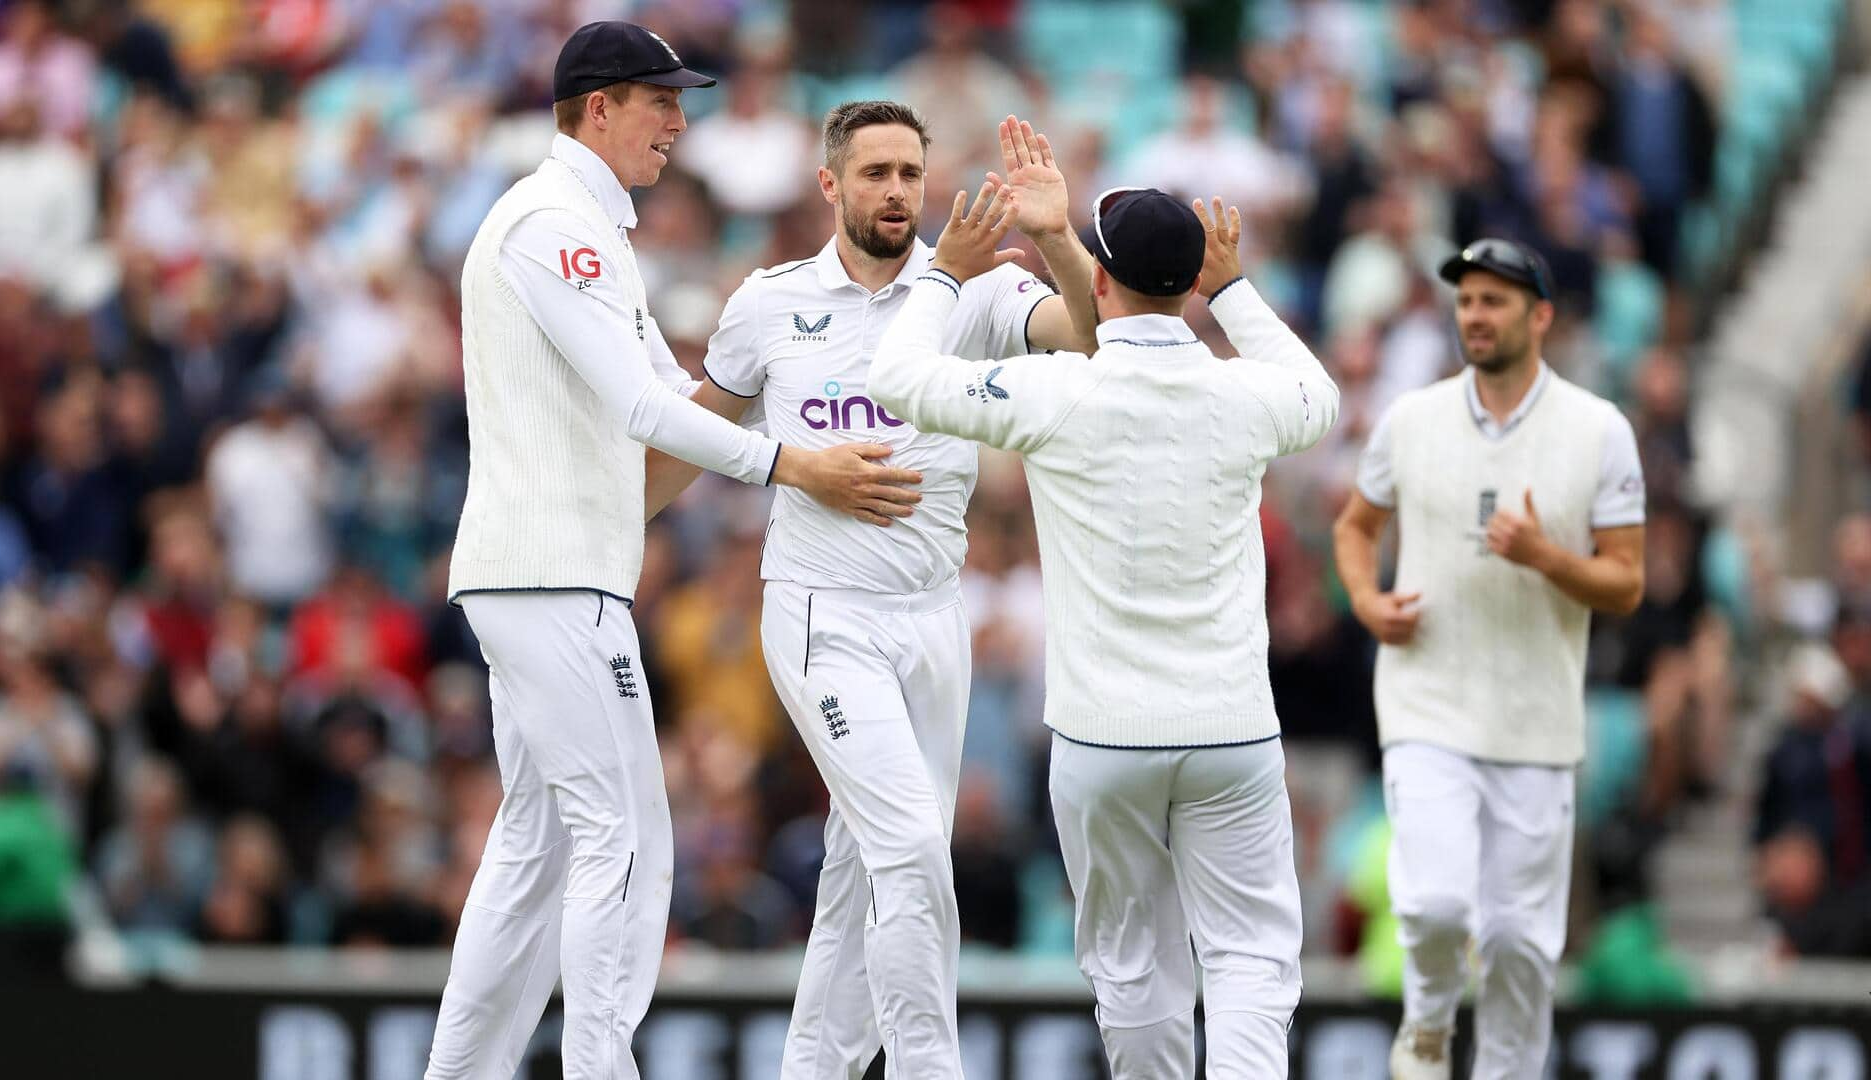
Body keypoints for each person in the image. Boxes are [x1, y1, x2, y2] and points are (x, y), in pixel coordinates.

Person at [422, 22, 923, 1080]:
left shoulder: (582, 227)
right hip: (553, 574)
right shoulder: (554, 224)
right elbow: (647, 405)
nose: (679, 123)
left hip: (547, 571)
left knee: (538, 848)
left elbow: (686, 390)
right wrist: (796, 466)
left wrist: (777, 368)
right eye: (659, 102)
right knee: (630, 838)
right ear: (596, 108)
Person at [646, 105, 1097, 1079]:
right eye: (875, 172)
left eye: (909, 172)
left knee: (863, 873)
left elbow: (1094, 337)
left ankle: (815, 1069)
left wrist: (1057, 234)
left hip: (935, 620)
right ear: (829, 185)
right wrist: (608, 533)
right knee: (910, 856)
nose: (896, 190)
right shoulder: (769, 303)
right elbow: (690, 438)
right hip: (822, 613)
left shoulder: (972, 294)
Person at [869, 182, 1338, 1077]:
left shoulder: (1058, 392)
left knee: (1132, 969)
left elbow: (895, 378)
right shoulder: (1245, 396)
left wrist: (946, 275)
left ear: (1102, 287)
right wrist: (1232, 290)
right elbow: (1319, 392)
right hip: (1232, 729)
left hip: (1102, 739)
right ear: (1188, 280)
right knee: (1250, 961)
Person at [1331, 238, 1647, 1080]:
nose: (1475, 314)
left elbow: (1625, 583)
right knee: (1434, 906)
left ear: (1541, 316)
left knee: (1518, 944)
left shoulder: (1599, 430)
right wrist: (1366, 600)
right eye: (1466, 300)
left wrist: (1547, 558)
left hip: (1536, 721)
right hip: (1426, 700)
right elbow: (1355, 528)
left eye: (1495, 301)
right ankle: (1428, 1023)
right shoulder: (1412, 418)